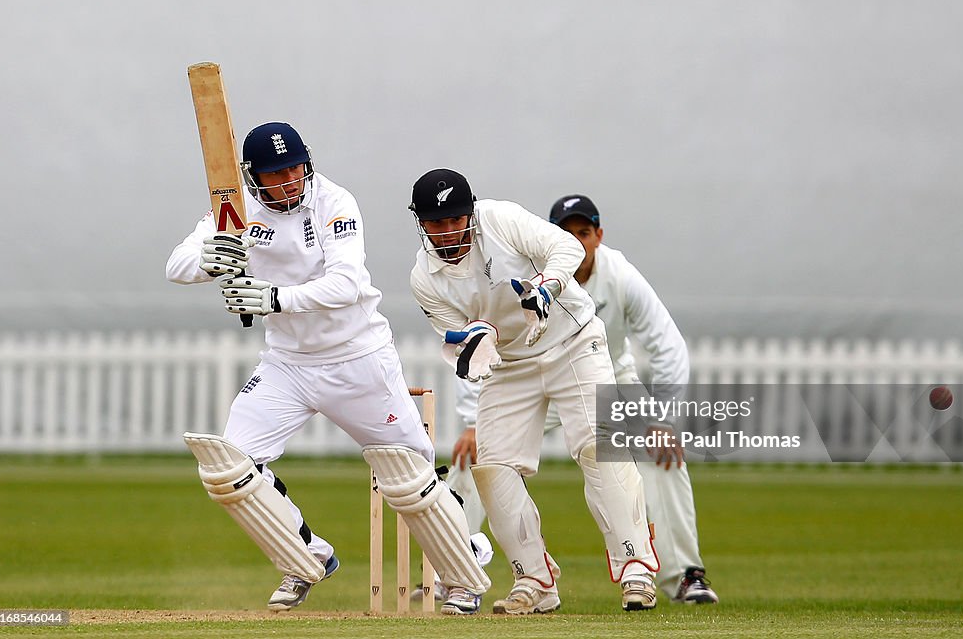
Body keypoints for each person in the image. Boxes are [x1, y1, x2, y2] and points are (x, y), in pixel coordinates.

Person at [166, 123, 490, 614]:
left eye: (295, 168)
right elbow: (177, 264)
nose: (290, 180)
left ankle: (464, 566)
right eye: (276, 174)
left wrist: (273, 297)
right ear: (254, 176)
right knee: (229, 467)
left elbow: (346, 283)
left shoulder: (333, 202)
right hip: (287, 365)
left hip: (357, 357)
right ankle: (304, 558)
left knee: (409, 476)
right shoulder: (235, 210)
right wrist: (213, 258)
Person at [440, 195, 719, 604]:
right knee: (474, 458)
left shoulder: (620, 275)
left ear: (598, 235)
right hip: (527, 372)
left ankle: (684, 574)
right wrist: (470, 422)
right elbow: (481, 342)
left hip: (608, 375)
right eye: (567, 233)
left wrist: (663, 418)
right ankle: (458, 575)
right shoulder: (526, 265)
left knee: (660, 452)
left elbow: (668, 345)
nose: (577, 241)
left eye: (584, 233)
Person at [408, 168, 660, 614]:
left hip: (573, 341)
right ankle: (535, 580)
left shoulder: (500, 219)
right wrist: (477, 338)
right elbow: (460, 345)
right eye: (436, 223)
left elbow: (564, 246)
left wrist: (548, 285)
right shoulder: (425, 279)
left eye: (455, 220)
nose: (448, 232)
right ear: (421, 223)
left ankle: (636, 567)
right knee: (493, 467)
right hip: (510, 365)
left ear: (470, 213)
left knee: (599, 447)